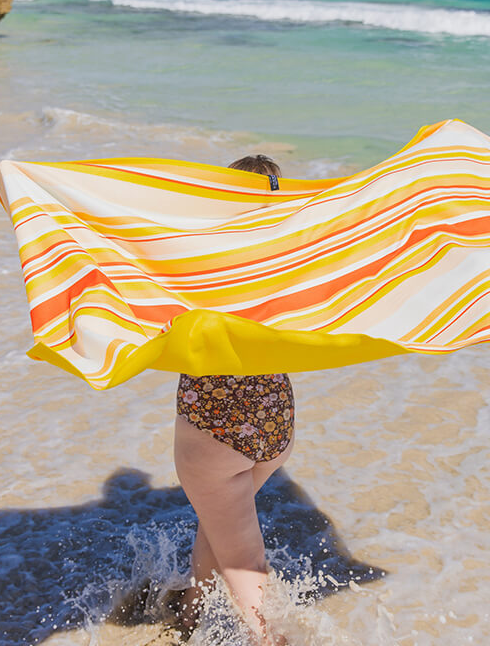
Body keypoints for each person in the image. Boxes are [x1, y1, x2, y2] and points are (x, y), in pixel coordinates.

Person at [171, 155, 295, 644]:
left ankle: (269, 639)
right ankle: (189, 609)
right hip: (274, 424)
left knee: (244, 557)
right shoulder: (290, 258)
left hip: (214, 430)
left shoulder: (197, 256)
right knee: (221, 520)